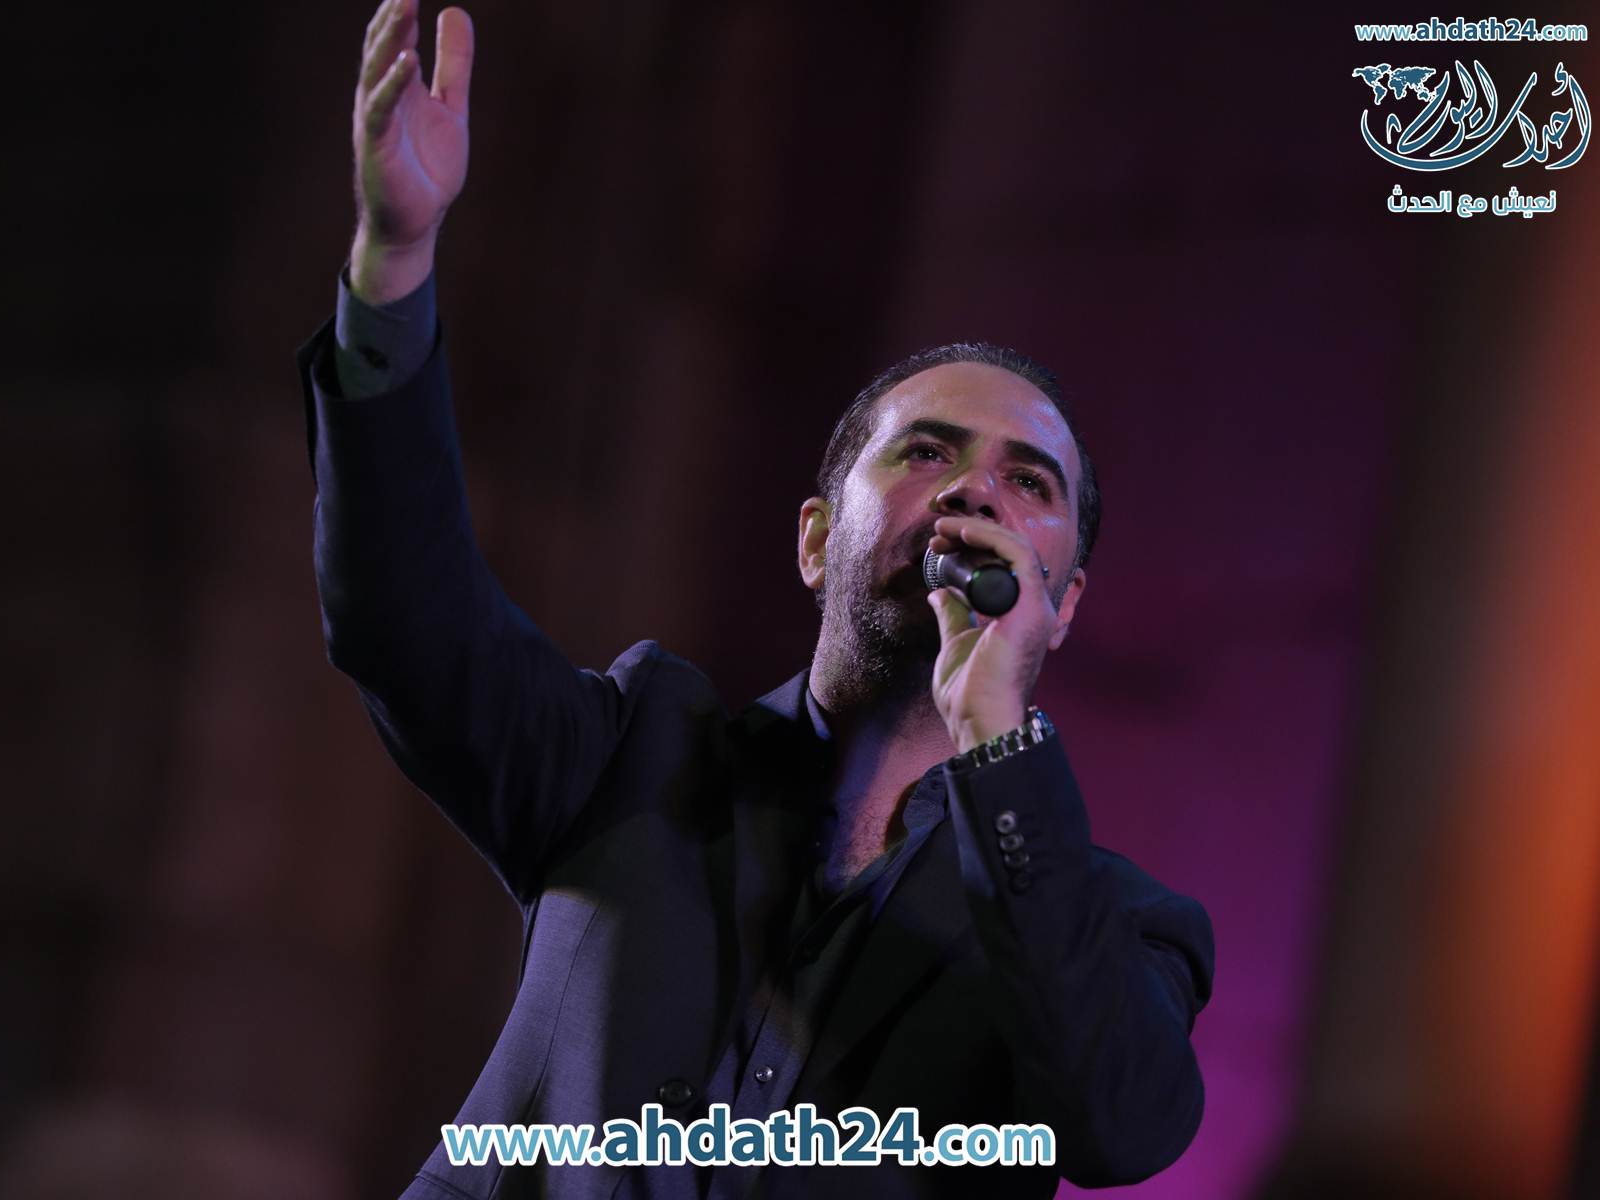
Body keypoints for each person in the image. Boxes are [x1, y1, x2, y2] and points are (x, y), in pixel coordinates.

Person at [295, 3, 1214, 1197]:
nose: (972, 492)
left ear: (1066, 601)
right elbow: (404, 617)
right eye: (925, 452)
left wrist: (999, 740)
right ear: (818, 539)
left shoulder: (1112, 924)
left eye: (1026, 482)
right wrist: (395, 263)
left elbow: (1124, 1125)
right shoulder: (632, 755)